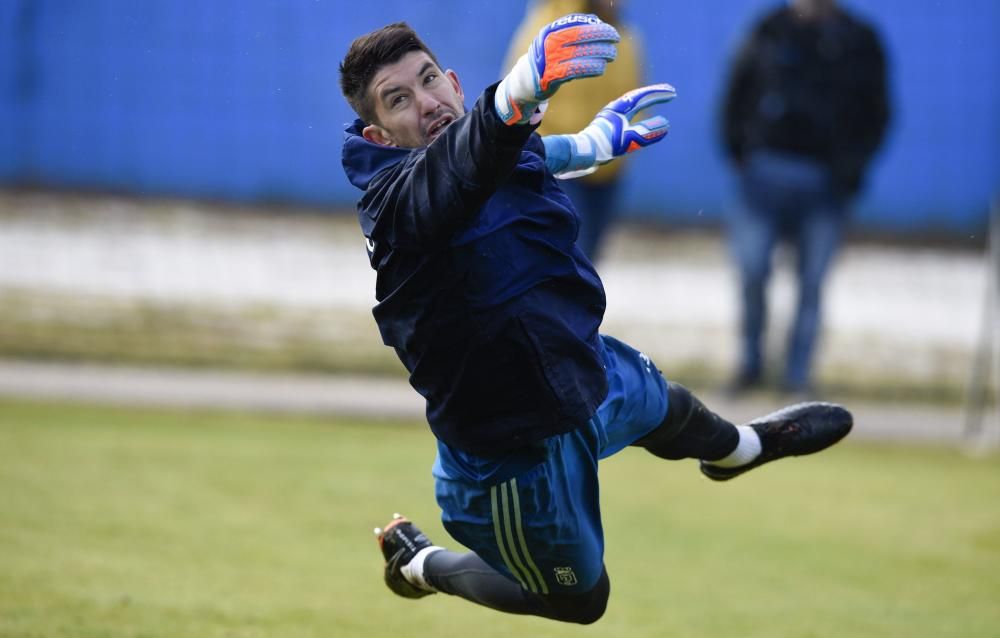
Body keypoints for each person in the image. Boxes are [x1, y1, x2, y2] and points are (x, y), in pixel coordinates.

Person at [340, 14, 853, 625]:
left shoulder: (483, 146)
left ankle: (739, 450)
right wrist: (517, 94)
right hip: (513, 451)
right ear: (381, 134)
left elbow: (515, 155)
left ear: (453, 81)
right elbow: (455, 179)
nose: (426, 103)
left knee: (666, 407)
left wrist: (592, 144)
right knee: (582, 601)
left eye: (429, 80)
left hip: (579, 370)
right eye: (400, 100)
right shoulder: (396, 203)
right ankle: (419, 565)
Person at [721, 0, 891, 395]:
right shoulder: (768, 29)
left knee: (812, 283)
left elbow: (877, 112)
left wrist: (849, 170)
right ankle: (750, 365)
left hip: (825, 184)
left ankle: (797, 377)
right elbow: (736, 91)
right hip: (763, 176)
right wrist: (739, 151)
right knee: (752, 270)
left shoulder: (859, 40)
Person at [501, 0, 645, 262]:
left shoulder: (625, 37)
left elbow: (633, 95)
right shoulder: (546, 32)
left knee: (587, 257)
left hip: (607, 168)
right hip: (560, 166)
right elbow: (516, 102)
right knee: (571, 253)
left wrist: (622, 143)